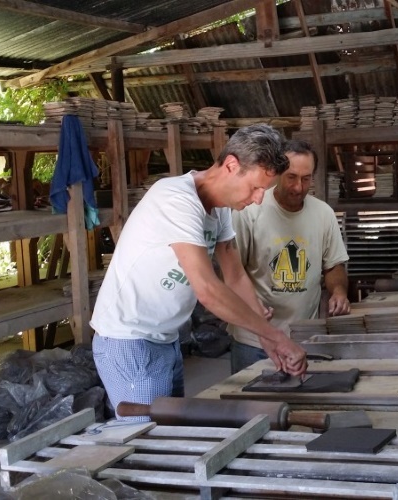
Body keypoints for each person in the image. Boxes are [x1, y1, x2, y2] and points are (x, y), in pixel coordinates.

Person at [91, 124, 308, 420]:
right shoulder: (176, 199)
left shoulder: (219, 209)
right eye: (256, 187)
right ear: (231, 165)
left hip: (165, 337)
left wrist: (268, 339)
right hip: (128, 339)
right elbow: (208, 290)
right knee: (146, 440)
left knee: (171, 431)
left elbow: (235, 275)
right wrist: (278, 338)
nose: (258, 199)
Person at [229, 139, 350, 373]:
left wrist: (339, 291)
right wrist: (252, 305)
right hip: (253, 339)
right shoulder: (249, 211)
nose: (298, 187)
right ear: (276, 173)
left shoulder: (323, 214)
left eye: (306, 179)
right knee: (249, 407)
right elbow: (232, 273)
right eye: (291, 177)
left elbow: (333, 265)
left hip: (303, 335)